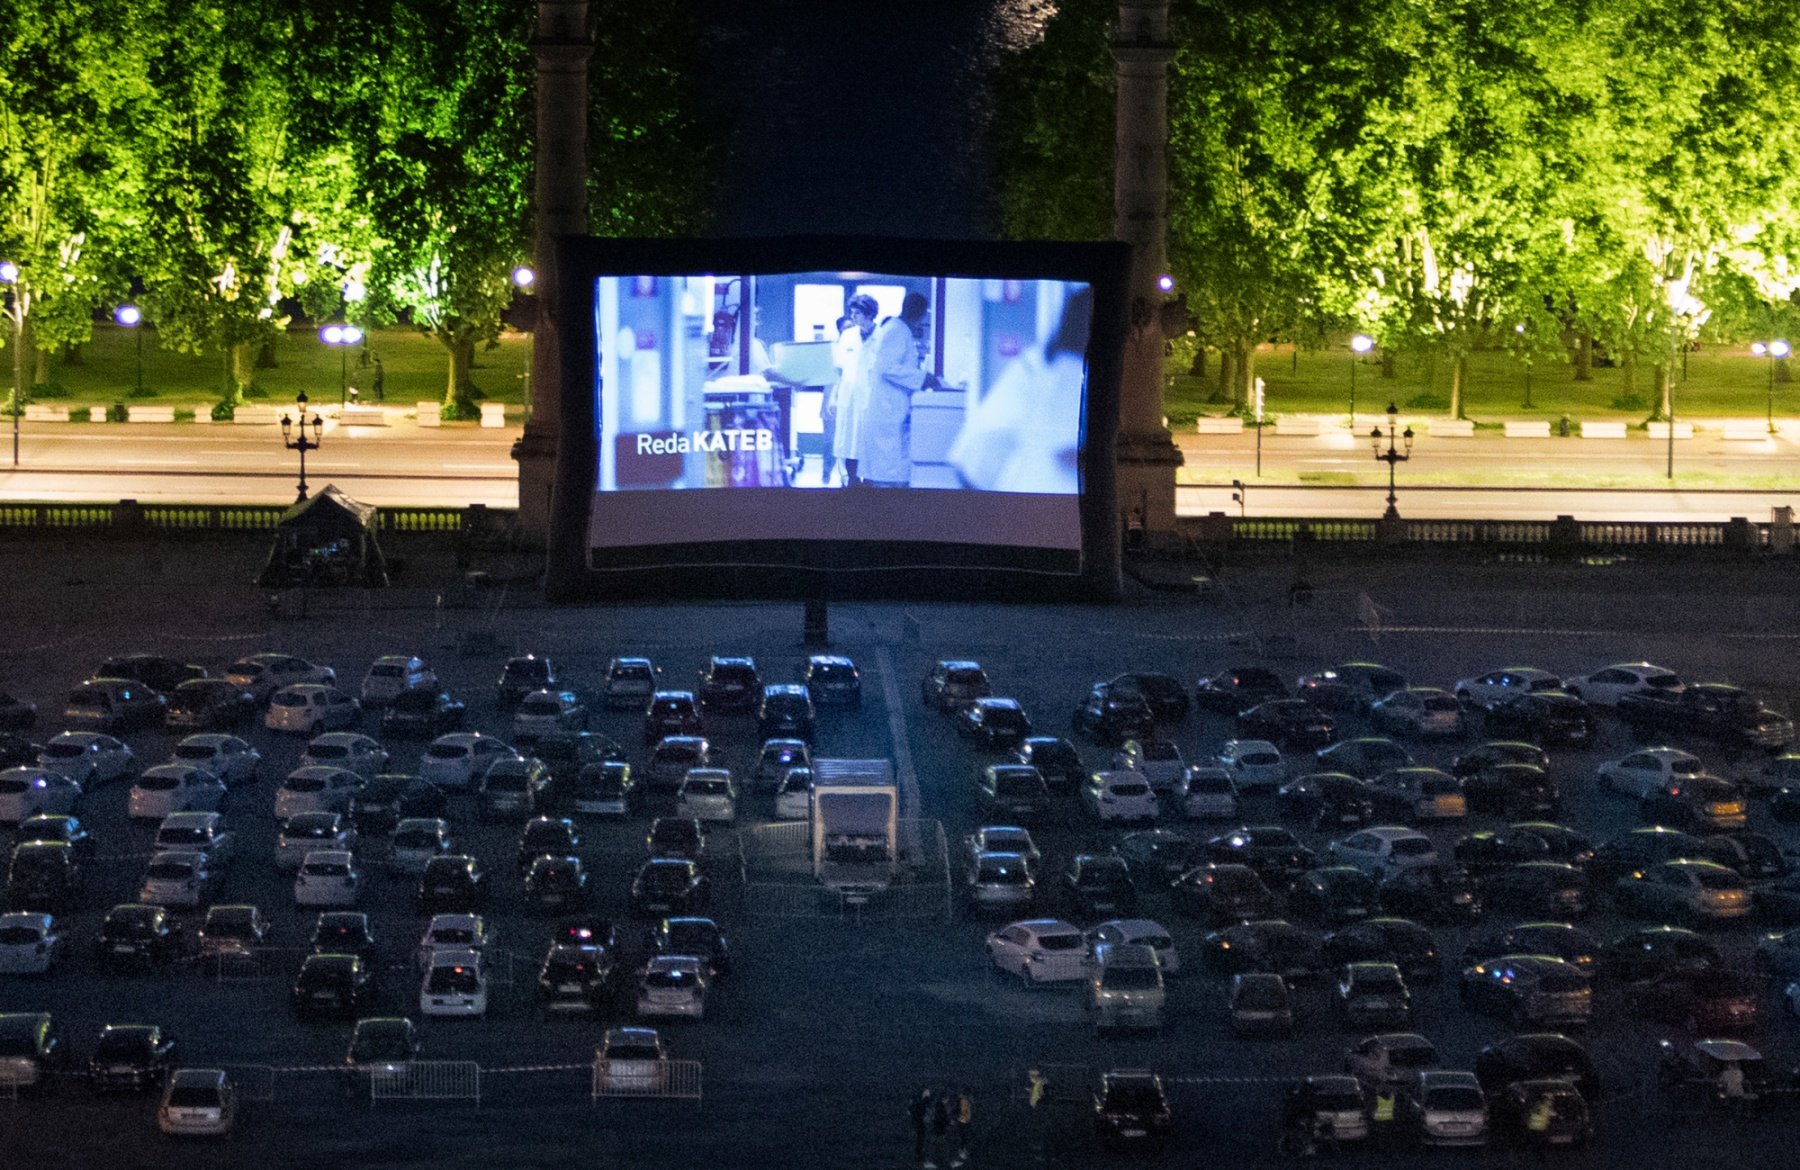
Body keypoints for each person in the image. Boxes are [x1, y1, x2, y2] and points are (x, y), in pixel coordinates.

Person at [948, 285, 1090, 495]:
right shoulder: (1062, 371)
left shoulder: (1038, 364)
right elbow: (1066, 452)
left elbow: (973, 456)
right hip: (1043, 498)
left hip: (1020, 498)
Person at [853, 291, 940, 487]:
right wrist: (923, 377)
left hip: (891, 405)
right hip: (887, 407)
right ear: (920, 313)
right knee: (887, 467)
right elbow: (887, 368)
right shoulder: (896, 330)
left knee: (892, 464)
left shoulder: (897, 329)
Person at [825, 295, 879, 487]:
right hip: (848, 395)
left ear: (870, 314)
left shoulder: (881, 336)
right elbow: (839, 370)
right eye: (852, 312)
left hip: (872, 397)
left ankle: (869, 481)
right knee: (848, 441)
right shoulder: (848, 336)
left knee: (869, 440)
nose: (853, 317)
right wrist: (833, 397)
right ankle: (852, 481)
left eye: (857, 313)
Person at [909, 1086, 934, 1166]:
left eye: (928, 1092)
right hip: (920, 1124)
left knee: (922, 1141)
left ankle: (921, 1157)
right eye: (926, 1092)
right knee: (921, 1141)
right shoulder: (920, 1102)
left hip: (923, 1124)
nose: (928, 1093)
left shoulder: (924, 1101)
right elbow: (916, 1112)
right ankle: (921, 1158)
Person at [952, 1085, 973, 1167]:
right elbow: (959, 1110)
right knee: (962, 1138)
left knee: (964, 1138)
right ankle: (960, 1155)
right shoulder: (962, 1100)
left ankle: (962, 1153)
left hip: (965, 1121)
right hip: (962, 1121)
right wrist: (959, 1117)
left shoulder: (966, 1100)